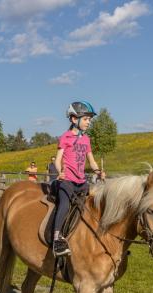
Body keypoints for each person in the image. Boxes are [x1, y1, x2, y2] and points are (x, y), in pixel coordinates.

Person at [53, 101, 105, 257]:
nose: (89, 122)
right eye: (86, 119)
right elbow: (57, 159)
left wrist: (98, 171)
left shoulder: (86, 139)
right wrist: (59, 172)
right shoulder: (65, 137)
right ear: (74, 119)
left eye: (89, 119)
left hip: (82, 183)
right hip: (67, 181)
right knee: (64, 204)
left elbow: (91, 160)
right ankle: (57, 240)